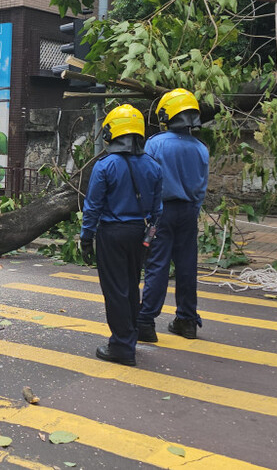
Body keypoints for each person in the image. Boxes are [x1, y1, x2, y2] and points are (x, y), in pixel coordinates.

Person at [80, 104, 162, 366]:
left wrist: (85, 237)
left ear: (111, 132)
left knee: (115, 290)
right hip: (139, 233)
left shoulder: (105, 166)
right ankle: (130, 337)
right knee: (130, 287)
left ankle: (121, 347)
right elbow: (158, 209)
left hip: (111, 234)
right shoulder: (153, 165)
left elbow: (92, 207)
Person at [137, 89, 209, 342]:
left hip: (162, 212)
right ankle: (187, 320)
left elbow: (148, 180)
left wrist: (146, 215)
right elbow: (201, 186)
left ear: (167, 114)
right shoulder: (201, 148)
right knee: (187, 266)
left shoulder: (155, 143)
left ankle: (145, 320)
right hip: (189, 211)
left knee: (158, 264)